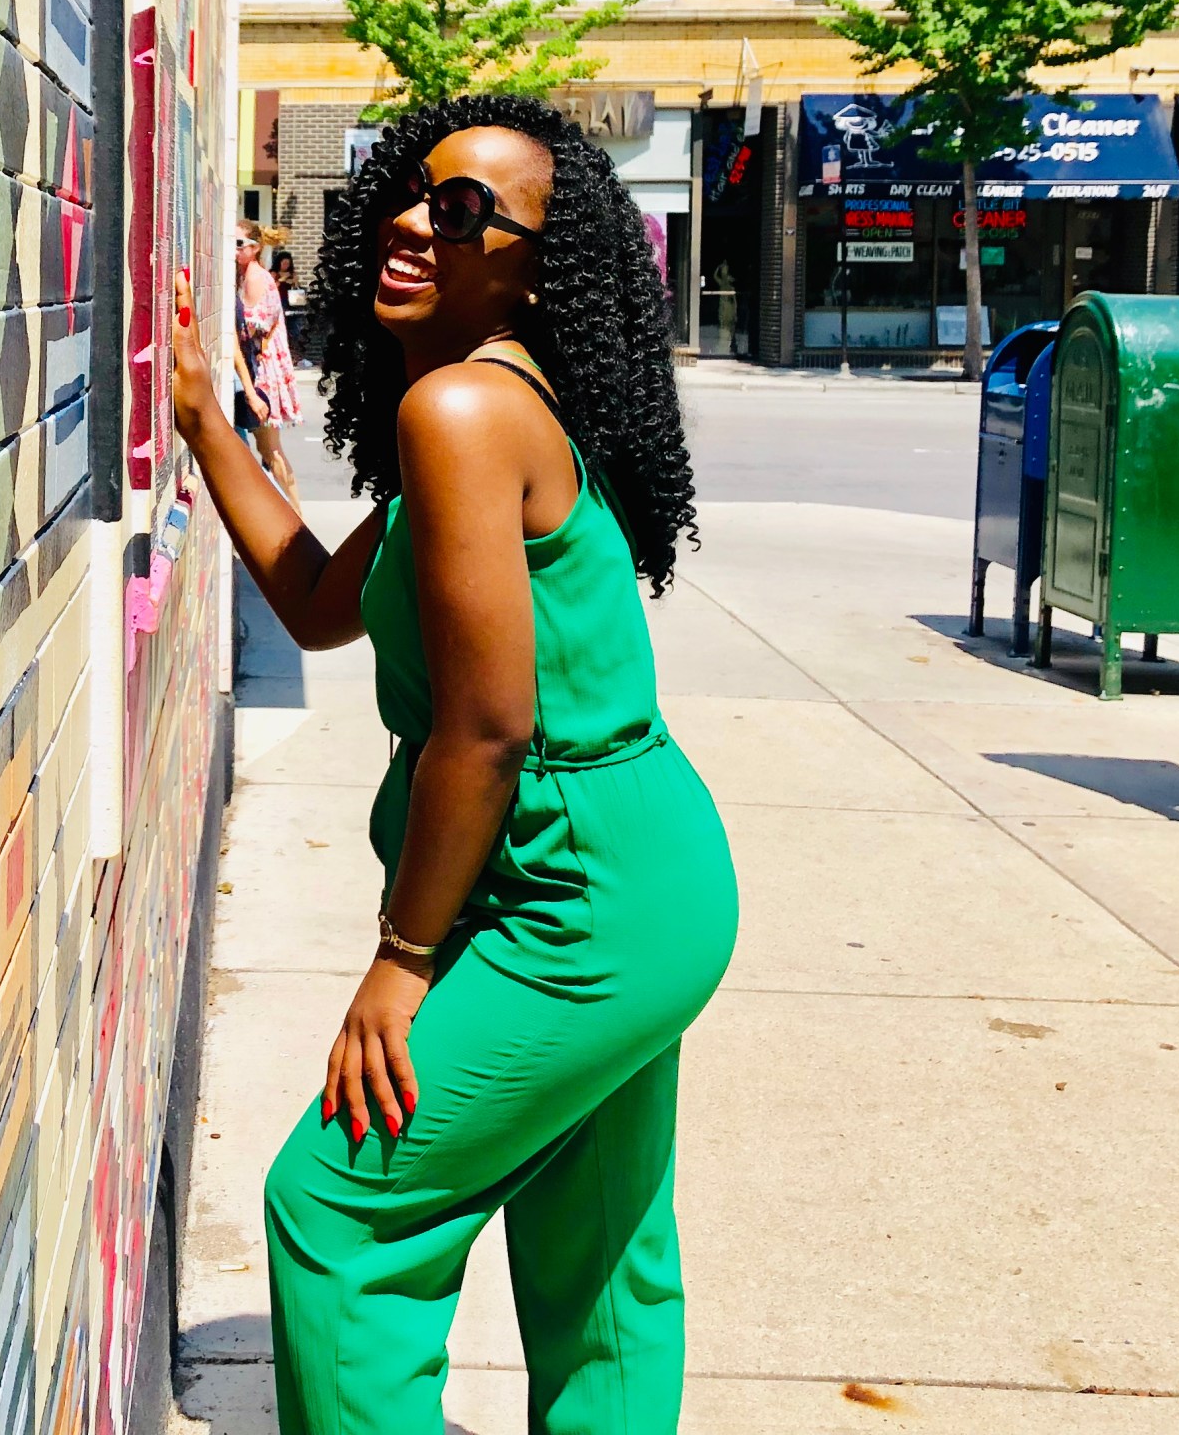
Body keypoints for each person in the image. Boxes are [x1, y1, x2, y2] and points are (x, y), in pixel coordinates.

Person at [172, 95, 737, 1435]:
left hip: (579, 900)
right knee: (601, 1256)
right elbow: (318, 601)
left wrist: (403, 958)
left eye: (467, 209)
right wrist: (204, 420)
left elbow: (485, 728)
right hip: (636, 876)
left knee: (336, 1208)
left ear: (540, 265)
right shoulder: (492, 402)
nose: (417, 221)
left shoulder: (465, 407)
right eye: (413, 190)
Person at [233, 218, 304, 513]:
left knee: (270, 450)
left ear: (255, 248)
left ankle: (297, 516)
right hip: (260, 367)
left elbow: (250, 329)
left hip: (263, 370)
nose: (234, 249)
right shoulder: (250, 275)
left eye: (239, 244)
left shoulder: (255, 277)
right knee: (267, 450)